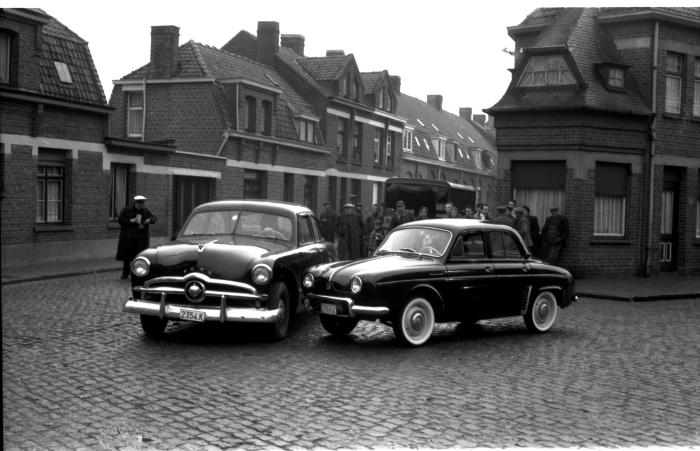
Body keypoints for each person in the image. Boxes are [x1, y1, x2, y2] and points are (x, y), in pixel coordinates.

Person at [116, 195, 157, 279]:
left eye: (142, 204)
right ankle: (125, 273)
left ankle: (137, 273)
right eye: (139, 204)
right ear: (136, 203)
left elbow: (154, 218)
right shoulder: (126, 210)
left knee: (139, 256)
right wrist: (131, 220)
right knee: (127, 256)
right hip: (129, 237)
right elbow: (120, 220)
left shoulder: (146, 210)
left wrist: (149, 220)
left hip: (141, 238)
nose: (140, 206)